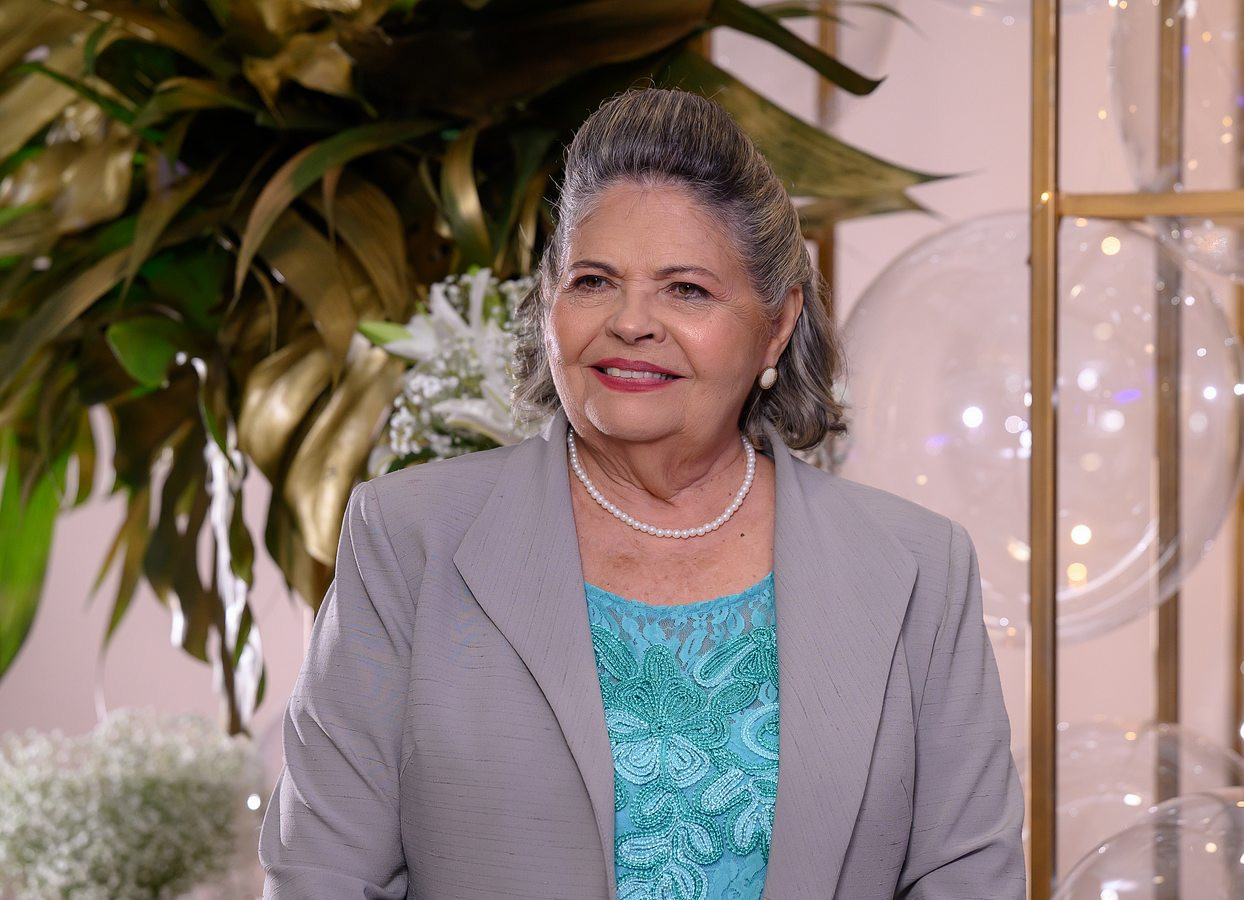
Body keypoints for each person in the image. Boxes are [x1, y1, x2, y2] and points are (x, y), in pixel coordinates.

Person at [258, 87, 1025, 899]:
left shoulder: (917, 568)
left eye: (686, 289)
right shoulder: (407, 538)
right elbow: (321, 875)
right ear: (549, 303)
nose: (631, 322)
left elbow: (967, 882)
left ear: (776, 324)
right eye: (593, 281)